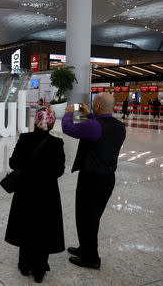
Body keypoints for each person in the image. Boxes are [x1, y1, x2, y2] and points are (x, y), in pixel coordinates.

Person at [62, 93, 126, 270]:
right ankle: (85, 248)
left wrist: (69, 112)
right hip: (107, 179)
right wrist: (87, 114)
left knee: (86, 218)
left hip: (91, 179)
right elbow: (91, 127)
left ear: (97, 107)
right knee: (90, 217)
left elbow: (69, 128)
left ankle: (91, 258)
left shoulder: (95, 126)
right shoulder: (120, 126)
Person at [5, 108, 65, 283]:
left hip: (25, 192)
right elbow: (59, 171)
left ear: (35, 122)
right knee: (43, 227)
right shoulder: (57, 143)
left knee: (25, 224)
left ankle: (24, 265)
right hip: (48, 193)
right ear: (52, 123)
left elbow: (13, 163)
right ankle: (39, 269)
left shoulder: (24, 139)